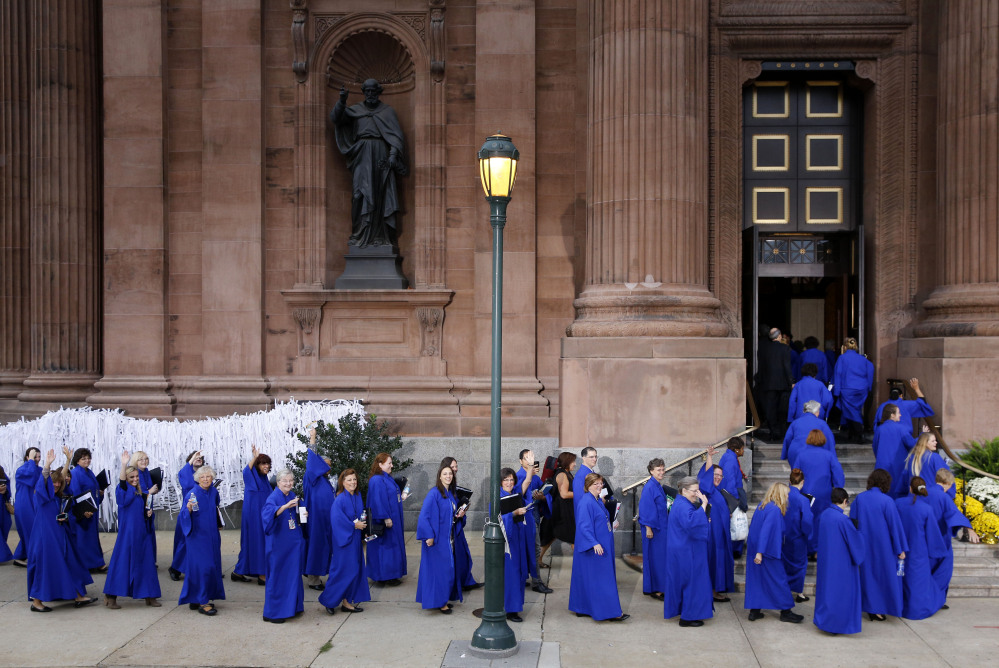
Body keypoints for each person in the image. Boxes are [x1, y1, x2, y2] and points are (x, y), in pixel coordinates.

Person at [331, 79, 408, 248]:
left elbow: (395, 137)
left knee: (380, 194)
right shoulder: (356, 110)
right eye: (368, 91)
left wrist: (393, 156)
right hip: (362, 153)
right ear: (364, 92)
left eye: (374, 91)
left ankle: (381, 237)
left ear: (378, 92)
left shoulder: (387, 112)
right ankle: (359, 235)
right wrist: (342, 101)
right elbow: (336, 118)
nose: (371, 94)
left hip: (381, 154)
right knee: (359, 195)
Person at [27, 447, 96, 612]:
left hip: (60, 536)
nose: (57, 484)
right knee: (46, 568)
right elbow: (46, 481)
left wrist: (67, 460)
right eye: (53, 482)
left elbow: (62, 478)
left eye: (59, 482)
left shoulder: (58, 497)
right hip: (46, 538)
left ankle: (78, 595)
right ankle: (36, 602)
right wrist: (47, 466)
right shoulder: (43, 496)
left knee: (70, 563)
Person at [104, 450, 161, 609]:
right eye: (132, 477)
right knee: (122, 563)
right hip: (127, 534)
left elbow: (140, 508)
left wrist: (146, 512)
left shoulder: (139, 492)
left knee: (147, 563)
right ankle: (111, 596)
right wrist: (124, 464)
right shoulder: (122, 489)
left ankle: (149, 595)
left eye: (136, 477)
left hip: (141, 532)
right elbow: (122, 481)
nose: (135, 479)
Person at [850, 469, 908, 621]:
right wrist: (900, 548)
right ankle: (879, 608)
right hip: (884, 546)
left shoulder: (860, 499)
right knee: (884, 576)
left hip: (864, 543)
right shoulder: (887, 501)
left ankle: (869, 607)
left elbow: (853, 523)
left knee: (867, 575)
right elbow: (894, 526)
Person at [569, 473, 628, 622]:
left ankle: (582, 607)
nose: (599, 486)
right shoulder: (586, 502)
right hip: (596, 547)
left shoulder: (597, 501)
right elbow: (583, 526)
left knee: (590, 579)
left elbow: (602, 518)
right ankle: (611, 612)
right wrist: (594, 543)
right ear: (588, 486)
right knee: (603, 580)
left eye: (601, 483)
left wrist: (612, 522)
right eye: (596, 484)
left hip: (603, 544)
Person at [745, 482, 803, 623]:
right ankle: (786, 611)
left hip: (756, 548)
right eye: (787, 494)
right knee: (779, 580)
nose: (788, 497)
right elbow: (766, 531)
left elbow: (755, 528)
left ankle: (755, 611)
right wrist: (760, 552)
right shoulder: (775, 510)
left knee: (757, 580)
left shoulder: (762, 505)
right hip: (767, 551)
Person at [813, 488, 866, 634]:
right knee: (840, 594)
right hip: (841, 564)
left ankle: (824, 621)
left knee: (827, 592)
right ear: (844, 501)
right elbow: (855, 543)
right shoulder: (843, 520)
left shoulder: (824, 515)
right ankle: (835, 625)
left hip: (826, 561)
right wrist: (860, 532)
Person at [319, 469, 370, 615]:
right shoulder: (340, 499)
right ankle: (329, 600)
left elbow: (361, 514)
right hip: (343, 541)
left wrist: (365, 525)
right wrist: (354, 525)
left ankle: (347, 602)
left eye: (354, 479)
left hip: (354, 539)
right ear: (342, 482)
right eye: (349, 480)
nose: (353, 482)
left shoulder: (357, 496)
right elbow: (336, 520)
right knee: (342, 571)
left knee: (354, 570)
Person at [895, 477, 947, 620]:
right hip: (919, 550)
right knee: (917, 581)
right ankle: (916, 611)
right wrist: (938, 551)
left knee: (900, 578)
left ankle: (899, 607)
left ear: (910, 488)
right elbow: (932, 533)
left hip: (899, 548)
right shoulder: (926, 509)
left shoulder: (898, 503)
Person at [663, 475, 711, 627]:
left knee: (686, 583)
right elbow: (692, 524)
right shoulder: (683, 505)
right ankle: (688, 617)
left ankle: (687, 613)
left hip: (682, 549)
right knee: (692, 583)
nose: (698, 494)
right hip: (686, 552)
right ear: (684, 490)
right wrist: (704, 505)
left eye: (698, 491)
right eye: (694, 491)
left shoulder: (680, 503)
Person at [926, 469, 979, 605]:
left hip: (924, 537)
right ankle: (936, 599)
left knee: (927, 569)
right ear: (948, 483)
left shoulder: (924, 492)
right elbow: (953, 514)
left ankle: (927, 597)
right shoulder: (943, 497)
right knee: (943, 570)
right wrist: (969, 528)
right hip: (940, 537)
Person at [177, 465, 225, 616]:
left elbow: (216, 507)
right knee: (203, 567)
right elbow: (183, 515)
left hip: (212, 535)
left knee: (210, 566)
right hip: (198, 537)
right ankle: (203, 602)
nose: (205, 479)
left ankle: (195, 598)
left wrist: (219, 523)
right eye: (202, 477)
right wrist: (188, 510)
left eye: (208, 476)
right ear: (197, 479)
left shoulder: (213, 491)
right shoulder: (192, 494)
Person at [415, 463, 462, 614]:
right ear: (439, 477)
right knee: (440, 571)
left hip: (447, 539)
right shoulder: (434, 493)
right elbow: (424, 515)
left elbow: (449, 515)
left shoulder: (450, 494)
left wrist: (459, 514)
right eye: (445, 474)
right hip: (436, 539)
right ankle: (441, 602)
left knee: (447, 570)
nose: (448, 476)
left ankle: (442, 599)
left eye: (450, 474)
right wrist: (428, 535)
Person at [261, 469, 305, 623]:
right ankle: (273, 612)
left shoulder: (292, 495)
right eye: (284, 481)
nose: (288, 483)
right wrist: (286, 506)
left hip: (293, 543)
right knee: (279, 576)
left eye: (290, 481)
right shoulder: (273, 497)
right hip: (279, 544)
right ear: (278, 483)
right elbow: (268, 516)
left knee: (293, 575)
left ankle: (293, 606)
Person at [796, 429, 845, 554]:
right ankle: (818, 549)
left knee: (806, 519)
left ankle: (807, 548)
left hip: (806, 492)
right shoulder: (829, 455)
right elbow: (838, 475)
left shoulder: (801, 455)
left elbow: (795, 473)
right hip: (824, 493)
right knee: (821, 520)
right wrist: (838, 487)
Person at [514, 449, 554, 593]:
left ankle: (532, 579)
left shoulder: (536, 478)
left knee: (535, 549)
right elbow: (518, 496)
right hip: (523, 518)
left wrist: (541, 496)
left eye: (531, 459)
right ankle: (533, 580)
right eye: (526, 459)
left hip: (534, 516)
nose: (529, 461)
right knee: (527, 549)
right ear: (521, 461)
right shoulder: (518, 476)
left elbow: (545, 495)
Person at [698, 448, 734, 601]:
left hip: (721, 533)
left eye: (720, 475)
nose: (718, 477)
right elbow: (705, 476)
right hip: (713, 534)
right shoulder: (708, 489)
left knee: (719, 560)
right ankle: (712, 592)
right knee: (714, 560)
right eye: (715, 475)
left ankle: (715, 590)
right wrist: (709, 458)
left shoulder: (718, 491)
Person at [232, 446, 271, 585]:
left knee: (253, 544)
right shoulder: (251, 477)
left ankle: (239, 571)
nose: (266, 466)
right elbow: (246, 470)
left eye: (267, 463)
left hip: (263, 516)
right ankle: (262, 574)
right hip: (254, 516)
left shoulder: (265, 479)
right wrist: (255, 457)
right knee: (257, 543)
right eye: (263, 463)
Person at [367, 453, 407, 586]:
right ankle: (384, 576)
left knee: (392, 548)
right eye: (389, 463)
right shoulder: (377, 480)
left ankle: (391, 575)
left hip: (394, 519)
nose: (392, 465)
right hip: (386, 521)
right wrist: (385, 517)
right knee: (385, 549)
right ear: (380, 464)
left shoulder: (386, 478)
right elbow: (377, 500)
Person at [302, 428, 334, 591]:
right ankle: (313, 579)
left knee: (323, 548)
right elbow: (311, 458)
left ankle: (315, 574)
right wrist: (313, 438)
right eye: (325, 465)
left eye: (329, 465)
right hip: (315, 521)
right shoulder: (311, 476)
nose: (328, 468)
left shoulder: (325, 481)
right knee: (315, 547)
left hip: (326, 522)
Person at [440, 457, 479, 590]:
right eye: (453, 467)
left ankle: (465, 581)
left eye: (456, 466)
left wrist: (462, 508)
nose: (455, 469)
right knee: (458, 556)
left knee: (463, 555)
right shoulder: (439, 492)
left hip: (457, 526)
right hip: (450, 529)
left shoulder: (452, 487)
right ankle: (459, 584)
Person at [498, 467, 530, 622]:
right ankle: (510, 609)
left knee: (519, 572)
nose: (509, 482)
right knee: (511, 574)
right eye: (506, 480)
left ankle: (516, 606)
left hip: (517, 538)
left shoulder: (514, 495)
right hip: (506, 542)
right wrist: (513, 514)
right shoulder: (498, 496)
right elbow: (496, 519)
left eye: (511, 480)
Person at [67, 447, 105, 572]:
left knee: (92, 538)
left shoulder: (89, 472)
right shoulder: (75, 473)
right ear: (77, 460)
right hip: (84, 511)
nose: (87, 461)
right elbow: (76, 492)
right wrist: (83, 511)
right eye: (83, 459)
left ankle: (96, 562)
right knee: (84, 538)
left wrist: (101, 492)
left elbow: (94, 488)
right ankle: (87, 565)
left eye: (88, 458)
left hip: (92, 509)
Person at [169, 449, 205, 581]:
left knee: (200, 542)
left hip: (201, 512)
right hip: (188, 512)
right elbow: (187, 483)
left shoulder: (204, 474)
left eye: (200, 457)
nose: (198, 458)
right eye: (196, 457)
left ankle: (203, 567)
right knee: (184, 542)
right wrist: (191, 460)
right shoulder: (186, 473)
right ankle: (175, 568)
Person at [873, 404, 921, 499]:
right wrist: (922, 436)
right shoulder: (901, 428)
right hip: (899, 467)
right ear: (892, 415)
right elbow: (912, 445)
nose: (900, 415)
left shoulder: (879, 429)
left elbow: (875, 447)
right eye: (898, 413)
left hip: (882, 466)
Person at [832, 337, 874, 442]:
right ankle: (852, 433)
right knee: (854, 409)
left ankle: (859, 433)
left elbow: (838, 374)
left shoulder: (842, 358)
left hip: (848, 388)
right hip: (861, 389)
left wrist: (836, 391)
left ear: (845, 346)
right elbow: (870, 370)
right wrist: (868, 386)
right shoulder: (863, 359)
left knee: (852, 410)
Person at [756, 327, 795, 441]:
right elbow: (787, 367)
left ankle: (773, 432)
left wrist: (760, 380)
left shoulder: (763, 349)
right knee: (782, 408)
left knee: (770, 408)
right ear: (779, 336)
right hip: (782, 384)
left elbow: (761, 367)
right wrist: (791, 381)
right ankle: (782, 432)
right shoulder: (785, 348)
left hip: (768, 384)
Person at [639, 458, 669, 600]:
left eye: (663, 469)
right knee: (656, 559)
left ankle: (656, 586)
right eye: (659, 470)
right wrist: (648, 529)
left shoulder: (657, 485)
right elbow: (645, 510)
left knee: (659, 558)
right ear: (651, 471)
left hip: (661, 528)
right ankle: (656, 589)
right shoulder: (649, 487)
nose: (662, 472)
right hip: (654, 530)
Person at [782, 468, 813, 604]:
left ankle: (785, 590)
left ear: (789, 481)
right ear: (803, 482)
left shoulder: (783, 496)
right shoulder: (803, 500)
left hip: (783, 535)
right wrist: (808, 535)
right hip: (798, 537)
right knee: (800, 565)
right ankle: (798, 592)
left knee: (784, 564)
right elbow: (806, 521)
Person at [718, 437, 749, 557]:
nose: (743, 451)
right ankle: (735, 550)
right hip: (733, 496)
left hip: (732, 494)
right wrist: (733, 503)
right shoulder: (731, 460)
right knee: (736, 524)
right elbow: (729, 483)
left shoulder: (729, 457)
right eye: (742, 449)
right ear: (736, 450)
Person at [781, 400, 836, 466]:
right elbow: (830, 440)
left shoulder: (795, 422)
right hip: (814, 454)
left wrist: (784, 455)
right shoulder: (822, 423)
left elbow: (787, 439)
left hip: (795, 452)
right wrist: (832, 456)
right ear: (816, 412)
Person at [12, 446, 42, 566]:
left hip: (35, 504)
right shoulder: (21, 470)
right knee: (30, 531)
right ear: (27, 458)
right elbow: (31, 476)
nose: (37, 459)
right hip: (25, 505)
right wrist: (30, 460)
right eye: (35, 457)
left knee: (31, 531)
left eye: (39, 456)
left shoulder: (38, 469)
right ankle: (34, 558)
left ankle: (20, 555)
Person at [902, 433, 952, 501]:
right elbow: (946, 477)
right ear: (925, 443)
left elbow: (904, 478)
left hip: (914, 497)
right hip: (931, 497)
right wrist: (950, 495)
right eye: (933, 441)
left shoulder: (911, 458)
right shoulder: (934, 457)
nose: (936, 442)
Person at [129, 451, 160, 562]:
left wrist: (152, 491)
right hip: (139, 507)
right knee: (142, 534)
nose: (144, 461)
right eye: (140, 459)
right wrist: (149, 491)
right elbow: (135, 492)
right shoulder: (134, 473)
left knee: (149, 533)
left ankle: (149, 559)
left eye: (146, 458)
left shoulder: (146, 471)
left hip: (148, 506)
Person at [550, 451, 577, 547]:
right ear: (567, 461)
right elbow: (564, 494)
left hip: (567, 509)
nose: (575, 464)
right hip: (563, 511)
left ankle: (539, 559)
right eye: (573, 461)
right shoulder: (562, 474)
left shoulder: (567, 473)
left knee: (550, 537)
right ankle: (579, 562)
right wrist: (582, 494)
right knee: (574, 538)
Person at [572, 447, 598, 511]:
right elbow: (579, 498)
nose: (595, 459)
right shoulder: (581, 475)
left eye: (595, 456)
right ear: (584, 458)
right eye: (591, 457)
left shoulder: (590, 472)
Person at [0, 466, 13, 563]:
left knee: (5, 527)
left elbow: (7, 483)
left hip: (2, 507)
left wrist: (5, 490)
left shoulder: (1, 469)